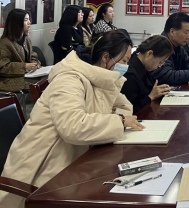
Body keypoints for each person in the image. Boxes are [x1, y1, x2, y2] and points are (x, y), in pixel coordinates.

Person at [0, 31, 142, 208]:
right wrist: (119, 121)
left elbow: (124, 107)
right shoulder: (69, 79)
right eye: (124, 61)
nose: (125, 67)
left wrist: (118, 119)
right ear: (106, 57)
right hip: (45, 169)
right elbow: (73, 126)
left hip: (75, 159)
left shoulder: (101, 78)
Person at [150, 13, 189, 85]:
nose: (188, 37)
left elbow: (187, 63)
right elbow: (167, 76)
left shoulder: (178, 45)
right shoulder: (161, 46)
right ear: (172, 32)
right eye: (186, 33)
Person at [121, 35, 173, 114]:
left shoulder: (144, 67)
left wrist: (159, 90)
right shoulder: (130, 75)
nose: (159, 66)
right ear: (149, 53)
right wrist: (150, 97)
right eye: (160, 61)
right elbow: (129, 109)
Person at [0, 9, 40, 92]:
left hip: (27, 74)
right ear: (17, 23)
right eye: (26, 20)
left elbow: (32, 54)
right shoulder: (5, 43)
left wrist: (34, 63)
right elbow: (3, 67)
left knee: (49, 79)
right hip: (10, 79)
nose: (29, 22)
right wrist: (24, 66)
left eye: (29, 19)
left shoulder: (26, 38)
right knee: (40, 85)